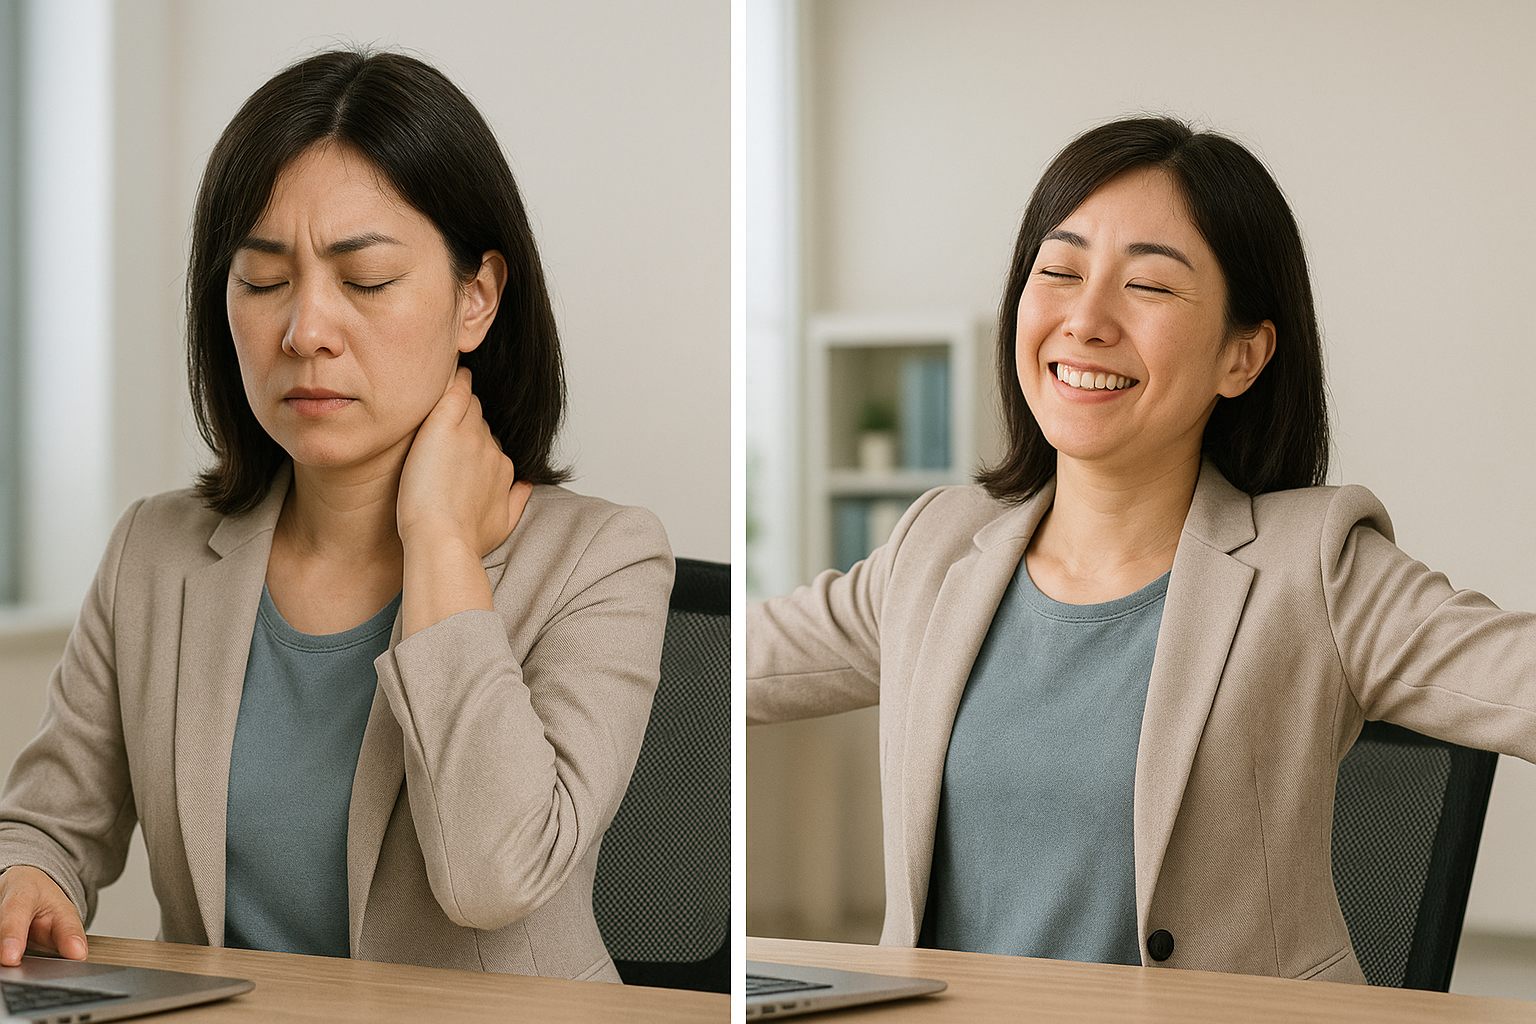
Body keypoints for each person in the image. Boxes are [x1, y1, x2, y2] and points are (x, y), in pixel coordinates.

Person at [747, 116, 1536, 983]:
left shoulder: (1315, 570)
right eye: (1059, 271)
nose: (1085, 320)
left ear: (1243, 356)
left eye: (1149, 287)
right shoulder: (935, 549)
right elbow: (714, 661)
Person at [0, 49, 672, 982]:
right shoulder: (153, 553)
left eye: (365, 282)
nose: (305, 330)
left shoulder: (603, 560)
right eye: (265, 281)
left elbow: (492, 878)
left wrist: (439, 540)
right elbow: (46, 822)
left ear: (475, 297)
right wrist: (31, 872)